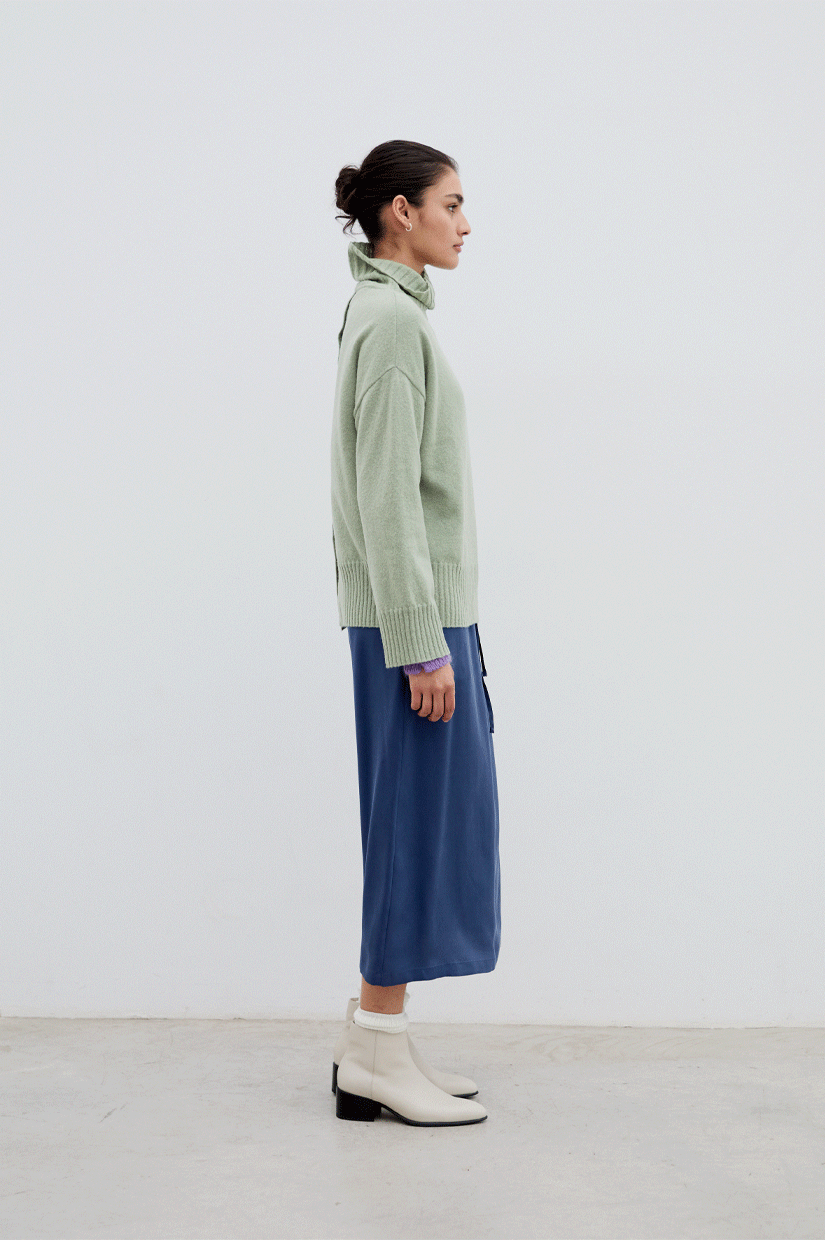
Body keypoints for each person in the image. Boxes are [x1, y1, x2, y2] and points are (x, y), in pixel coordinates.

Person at [329, 140, 501, 1126]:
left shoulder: (386, 313)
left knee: (424, 828)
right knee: (412, 832)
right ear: (402, 212)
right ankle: (377, 1057)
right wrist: (421, 644)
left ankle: (373, 1043)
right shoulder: (391, 323)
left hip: (425, 616)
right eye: (452, 203)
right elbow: (385, 496)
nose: (465, 223)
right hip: (414, 625)